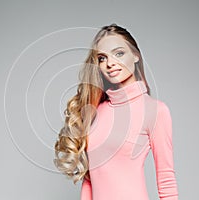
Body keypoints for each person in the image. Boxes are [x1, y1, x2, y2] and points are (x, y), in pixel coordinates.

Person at [54, 24, 179, 200]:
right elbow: (90, 180)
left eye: (118, 53)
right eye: (102, 58)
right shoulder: (96, 111)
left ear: (135, 55)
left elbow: (166, 182)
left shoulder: (155, 111)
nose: (110, 63)